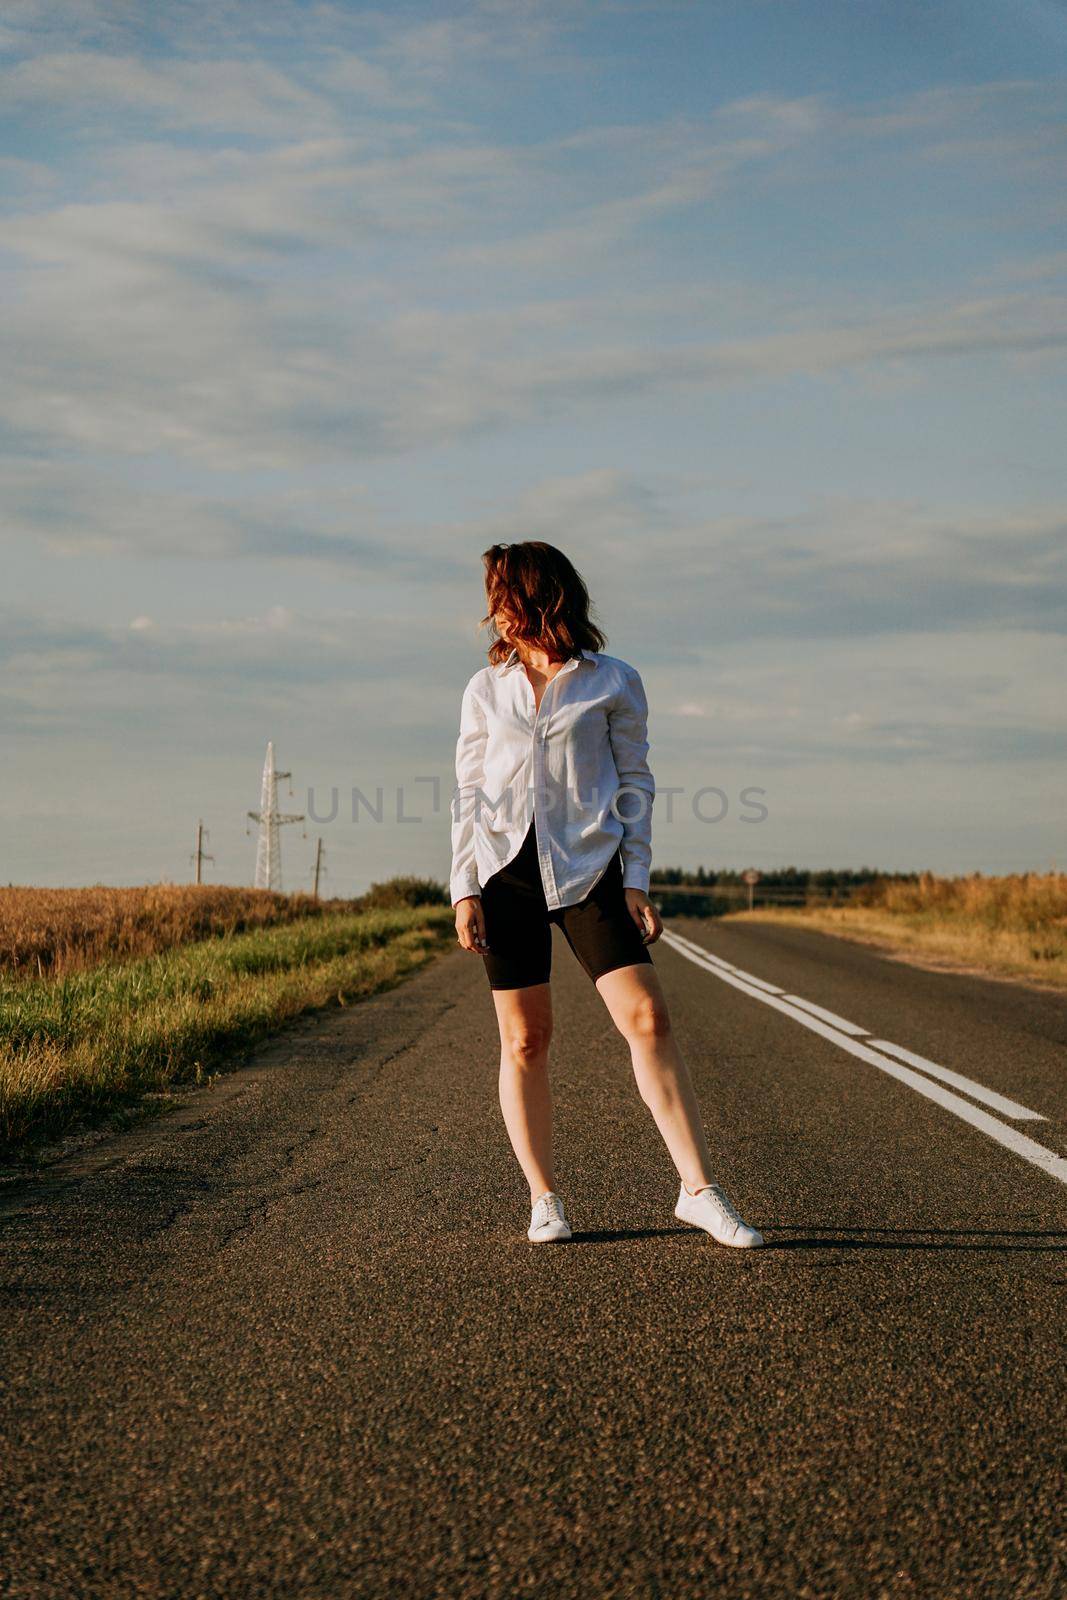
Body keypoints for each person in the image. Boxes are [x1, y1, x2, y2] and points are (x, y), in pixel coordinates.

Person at [449, 541, 763, 1250]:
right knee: (525, 1038)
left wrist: (635, 878)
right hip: (505, 873)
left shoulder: (611, 682)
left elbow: (635, 785)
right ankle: (543, 1197)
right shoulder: (483, 689)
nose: (491, 610)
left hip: (589, 869)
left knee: (647, 1018)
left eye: (501, 593)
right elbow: (468, 793)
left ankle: (698, 1191)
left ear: (538, 598)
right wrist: (463, 886)